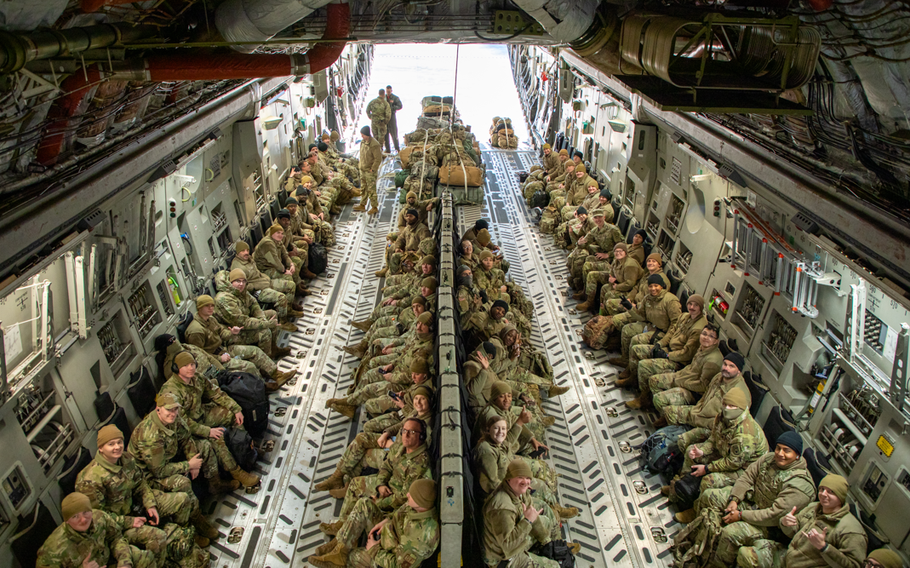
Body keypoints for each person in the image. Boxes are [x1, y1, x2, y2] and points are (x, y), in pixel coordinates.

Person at [76, 425, 217, 549]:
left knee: (183, 500)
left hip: (136, 504)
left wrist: (150, 504)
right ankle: (176, 544)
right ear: (100, 448)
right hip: (119, 525)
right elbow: (99, 518)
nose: (117, 447)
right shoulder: (89, 480)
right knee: (157, 536)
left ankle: (186, 534)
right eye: (111, 444)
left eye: (119, 442)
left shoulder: (125, 459)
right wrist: (130, 521)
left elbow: (140, 483)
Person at [683, 432, 816, 563]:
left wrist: (740, 515)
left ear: (797, 455)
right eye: (778, 448)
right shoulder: (769, 459)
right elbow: (747, 477)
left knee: (731, 533)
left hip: (769, 526)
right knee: (710, 496)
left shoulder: (801, 485)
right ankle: (696, 540)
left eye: (786, 451)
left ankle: (716, 563)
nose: (780, 453)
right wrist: (734, 499)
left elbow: (773, 515)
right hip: (751, 503)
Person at [159, 352, 260, 489]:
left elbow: (215, 393)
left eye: (192, 364)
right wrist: (208, 431)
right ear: (177, 369)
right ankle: (235, 472)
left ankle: (246, 447)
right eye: (186, 365)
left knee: (230, 415)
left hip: (201, 415)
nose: (191, 368)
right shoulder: (172, 391)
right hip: (186, 430)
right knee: (217, 438)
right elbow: (181, 422)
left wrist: (236, 408)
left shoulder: (197, 378)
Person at [319, 418, 432, 535]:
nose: (406, 435)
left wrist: (380, 502)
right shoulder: (402, 447)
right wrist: (380, 484)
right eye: (404, 431)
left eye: (412, 432)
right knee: (355, 484)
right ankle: (342, 524)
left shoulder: (420, 464)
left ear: (421, 437)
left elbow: (404, 497)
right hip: (387, 486)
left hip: (394, 498)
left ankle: (346, 535)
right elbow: (387, 465)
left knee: (364, 503)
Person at [669, 389, 767, 518]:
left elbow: (733, 463)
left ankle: (695, 511)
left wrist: (707, 468)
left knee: (709, 481)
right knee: (690, 452)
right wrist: (702, 450)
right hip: (726, 454)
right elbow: (714, 439)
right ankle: (681, 488)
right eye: (725, 404)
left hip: (743, 470)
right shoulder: (722, 417)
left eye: (732, 406)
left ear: (741, 408)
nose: (727, 408)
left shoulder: (745, 435)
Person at [739, 474, 867, 568]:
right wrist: (785, 523)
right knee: (746, 554)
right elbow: (793, 532)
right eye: (822, 489)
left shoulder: (850, 529)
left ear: (840, 497)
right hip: (789, 557)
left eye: (831, 492)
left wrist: (824, 547)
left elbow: (854, 565)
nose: (823, 494)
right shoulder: (814, 508)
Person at [308, 479, 440, 568]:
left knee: (353, 556)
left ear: (421, 502)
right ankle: (339, 548)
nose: (407, 495)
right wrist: (386, 521)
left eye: (412, 495)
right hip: (389, 534)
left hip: (388, 554)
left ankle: (340, 559)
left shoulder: (422, 537)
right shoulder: (415, 505)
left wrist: (374, 549)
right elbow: (399, 515)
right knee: (364, 504)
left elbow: (398, 565)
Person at [186, 294, 295, 390]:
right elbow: (199, 356)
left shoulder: (211, 319)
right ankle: (262, 387)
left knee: (255, 351)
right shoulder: (196, 331)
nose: (210, 308)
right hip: (215, 360)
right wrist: (220, 359)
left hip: (224, 349)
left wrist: (232, 332)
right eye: (207, 306)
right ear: (199, 308)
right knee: (249, 366)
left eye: (212, 306)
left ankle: (277, 375)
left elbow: (222, 334)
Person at [623, 294, 708, 409]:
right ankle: (634, 380)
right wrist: (660, 344)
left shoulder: (698, 328)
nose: (692, 307)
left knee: (644, 365)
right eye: (690, 304)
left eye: (696, 305)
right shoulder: (684, 317)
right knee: (637, 349)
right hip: (668, 349)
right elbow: (671, 332)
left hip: (679, 361)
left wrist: (667, 355)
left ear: (701, 307)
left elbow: (686, 354)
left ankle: (644, 400)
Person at [482, 459, 570, 568]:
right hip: (504, 558)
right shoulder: (502, 508)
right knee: (554, 566)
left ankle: (553, 548)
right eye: (520, 477)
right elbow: (508, 545)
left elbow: (533, 516)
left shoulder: (519, 492)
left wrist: (547, 543)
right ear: (509, 478)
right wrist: (527, 521)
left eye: (528, 478)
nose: (525, 481)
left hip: (514, 541)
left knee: (546, 522)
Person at [36, 492, 157, 568]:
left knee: (146, 558)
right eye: (75, 516)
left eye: (85, 512)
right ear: (66, 520)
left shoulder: (98, 517)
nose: (83, 520)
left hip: (109, 559)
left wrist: (124, 561)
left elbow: (115, 537)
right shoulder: (52, 550)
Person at [650, 323, 724, 428]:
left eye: (711, 336)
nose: (706, 338)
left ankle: (668, 421)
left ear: (716, 341)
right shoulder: (703, 349)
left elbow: (703, 386)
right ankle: (664, 415)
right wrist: (678, 376)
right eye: (704, 334)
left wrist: (683, 383)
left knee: (659, 399)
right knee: (654, 380)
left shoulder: (713, 360)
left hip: (694, 393)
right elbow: (691, 368)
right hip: (686, 380)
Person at [214, 268, 290, 358]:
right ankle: (266, 360)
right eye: (237, 281)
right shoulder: (224, 298)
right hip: (232, 333)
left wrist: (262, 319)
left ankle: (273, 349)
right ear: (231, 282)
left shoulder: (240, 291)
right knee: (264, 332)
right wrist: (266, 324)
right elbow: (243, 322)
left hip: (244, 322)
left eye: (243, 281)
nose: (241, 284)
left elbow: (253, 304)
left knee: (272, 314)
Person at [355, 125, 383, 215]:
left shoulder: (374, 144)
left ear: (367, 134)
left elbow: (378, 159)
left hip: (369, 171)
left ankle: (374, 207)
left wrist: (373, 169)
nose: (362, 136)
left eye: (363, 135)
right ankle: (362, 204)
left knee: (371, 190)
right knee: (363, 188)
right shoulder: (363, 142)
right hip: (362, 169)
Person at [383, 84, 403, 153]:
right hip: (385, 118)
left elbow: (400, 106)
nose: (388, 93)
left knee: (394, 133)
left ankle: (397, 148)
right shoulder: (384, 98)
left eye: (389, 91)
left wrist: (393, 108)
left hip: (392, 117)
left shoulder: (395, 98)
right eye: (387, 91)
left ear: (391, 91)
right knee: (386, 134)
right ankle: (387, 149)